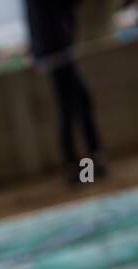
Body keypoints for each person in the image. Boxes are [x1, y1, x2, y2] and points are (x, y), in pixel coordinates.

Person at [23, 0, 108, 185]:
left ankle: (79, 166)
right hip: (56, 51)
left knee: (72, 107)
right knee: (76, 106)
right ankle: (85, 166)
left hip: (52, 50)